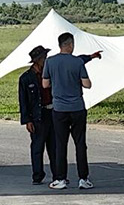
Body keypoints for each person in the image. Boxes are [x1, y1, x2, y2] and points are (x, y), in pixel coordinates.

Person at [42, 32, 101, 190]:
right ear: (70, 45)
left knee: (60, 144)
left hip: (59, 109)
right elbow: (87, 84)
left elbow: (45, 84)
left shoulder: (50, 62)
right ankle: (83, 178)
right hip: (77, 108)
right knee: (80, 143)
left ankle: (60, 178)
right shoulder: (77, 62)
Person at [17, 45, 51, 184]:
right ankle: (37, 175)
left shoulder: (49, 73)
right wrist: (27, 120)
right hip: (37, 116)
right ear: (37, 60)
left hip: (51, 112)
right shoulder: (25, 78)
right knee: (37, 147)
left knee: (54, 147)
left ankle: (58, 175)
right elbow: (23, 101)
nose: (45, 59)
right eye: (43, 57)